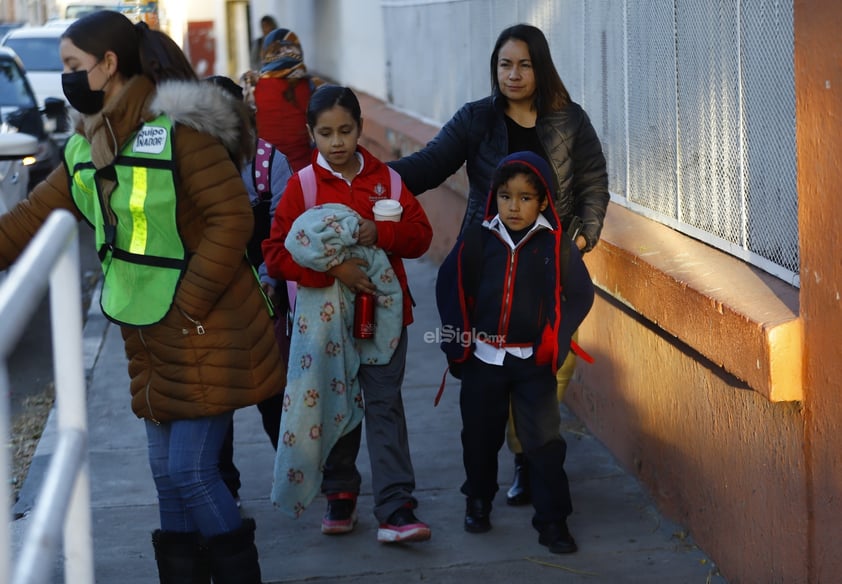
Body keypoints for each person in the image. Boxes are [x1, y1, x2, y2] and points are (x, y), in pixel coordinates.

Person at [0, 11, 283, 582]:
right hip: (149, 335)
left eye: (74, 67)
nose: (67, 79)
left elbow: (232, 218)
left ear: (109, 66)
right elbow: (30, 218)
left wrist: (189, 304)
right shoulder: (90, 144)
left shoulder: (183, 129)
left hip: (208, 328)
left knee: (193, 474)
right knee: (166, 474)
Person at [388, 22, 609, 506]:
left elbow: (593, 180)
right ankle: (494, 479)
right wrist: (372, 178)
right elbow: (429, 164)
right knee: (491, 378)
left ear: (541, 67)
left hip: (546, 271)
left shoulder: (570, 121)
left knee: (545, 373)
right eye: (505, 64)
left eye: (524, 64)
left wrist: (582, 236)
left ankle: (530, 459)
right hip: (489, 268)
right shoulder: (476, 120)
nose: (513, 74)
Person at [262, 85, 434, 544]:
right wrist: (333, 270)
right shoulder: (302, 186)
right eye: (325, 133)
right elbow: (276, 253)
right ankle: (340, 493)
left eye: (345, 131)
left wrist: (382, 232)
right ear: (310, 134)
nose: (336, 142)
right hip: (324, 327)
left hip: (386, 321)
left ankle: (396, 507)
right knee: (333, 400)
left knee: (384, 407)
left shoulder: (389, 181)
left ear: (360, 128)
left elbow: (421, 236)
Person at [436, 150, 595, 554]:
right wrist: (458, 346)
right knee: (479, 438)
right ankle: (478, 501)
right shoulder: (477, 239)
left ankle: (553, 521)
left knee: (543, 444)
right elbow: (448, 286)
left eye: (526, 197)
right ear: (495, 197)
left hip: (531, 366)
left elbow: (580, 295)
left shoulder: (556, 247)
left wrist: (556, 345)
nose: (514, 206)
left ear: (543, 201)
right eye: (506, 196)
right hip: (483, 362)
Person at [205, 74, 294, 506]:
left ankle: (293, 473)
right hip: (211, 299)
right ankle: (224, 486)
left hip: (262, 293)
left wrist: (270, 281)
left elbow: (282, 225)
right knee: (217, 399)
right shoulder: (190, 165)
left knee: (271, 389)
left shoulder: (268, 162)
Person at [248, 27, 324, 172]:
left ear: (265, 54)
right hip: (306, 173)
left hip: (265, 175)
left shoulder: (251, 86)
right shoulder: (314, 86)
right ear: (298, 51)